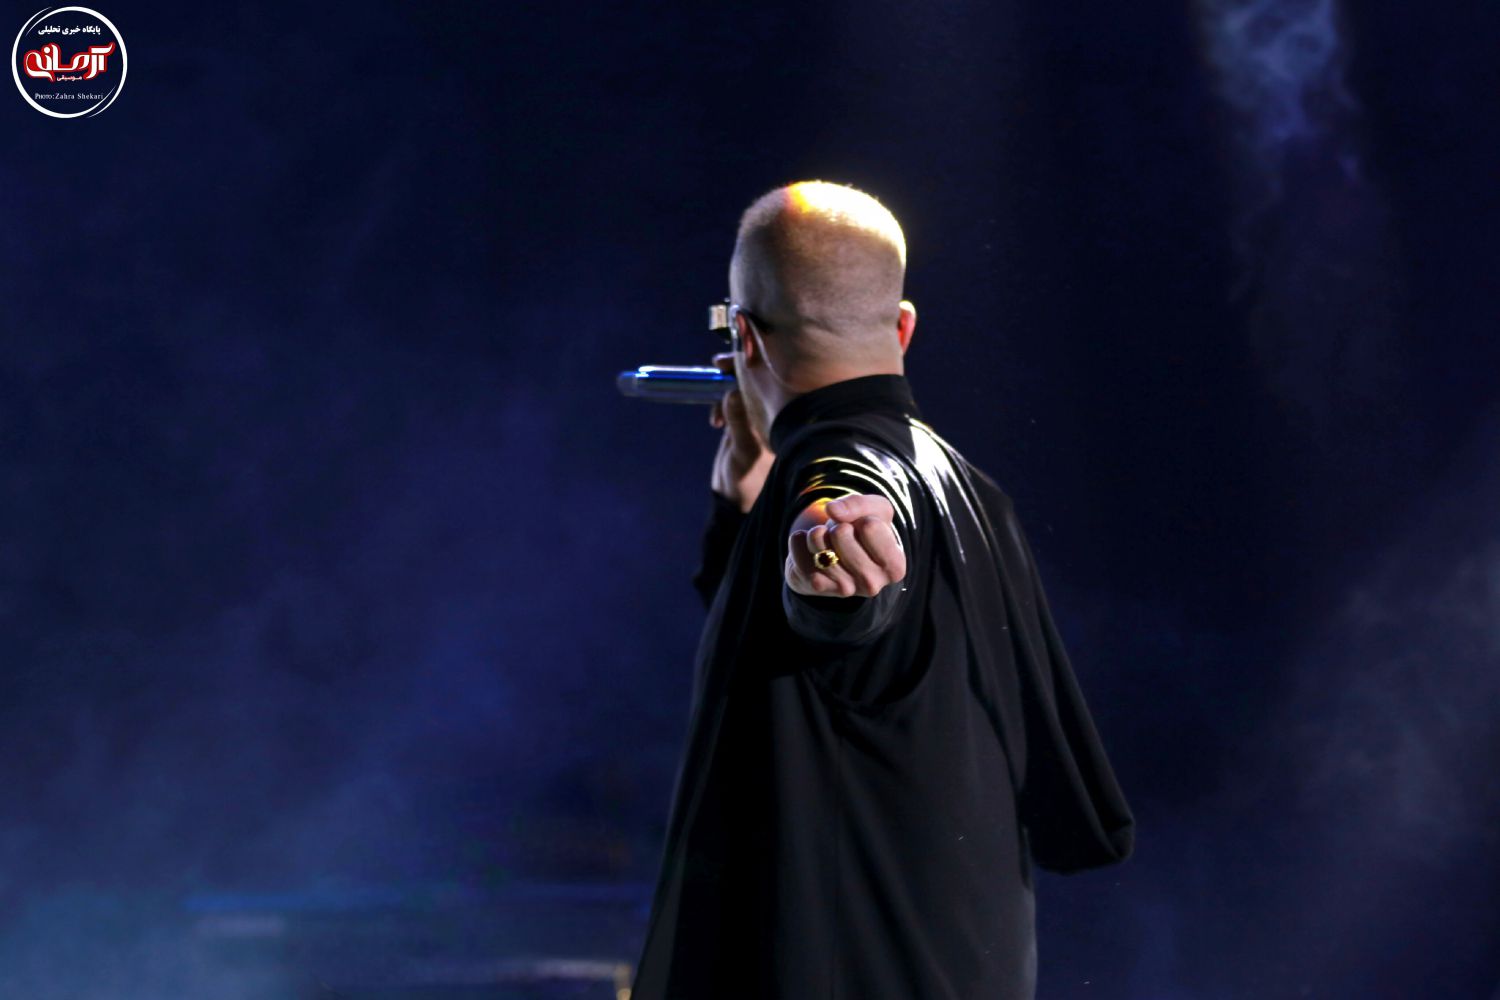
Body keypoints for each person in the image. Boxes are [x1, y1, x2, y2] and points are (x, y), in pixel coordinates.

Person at [629, 180, 1134, 1000]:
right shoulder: (969, 486)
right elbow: (790, 664)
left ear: (744, 337)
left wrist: (832, 567)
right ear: (902, 327)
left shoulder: (837, 470)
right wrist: (743, 510)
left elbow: (848, 563)